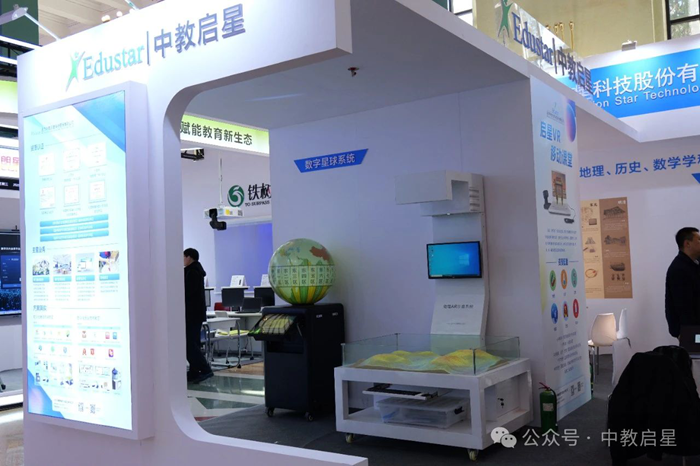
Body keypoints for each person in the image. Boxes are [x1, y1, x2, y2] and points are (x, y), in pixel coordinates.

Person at [184, 248, 213, 383]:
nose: (182, 260)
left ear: (189, 257)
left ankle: (205, 369)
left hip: (191, 314)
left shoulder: (192, 272)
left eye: (184, 257)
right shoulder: (196, 271)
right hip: (196, 314)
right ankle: (194, 371)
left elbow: (187, 293)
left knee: (190, 344)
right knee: (193, 343)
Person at [665, 227, 700, 338]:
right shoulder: (679, 269)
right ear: (687, 244)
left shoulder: (694, 264)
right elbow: (683, 307)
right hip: (691, 331)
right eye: (699, 240)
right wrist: (690, 334)